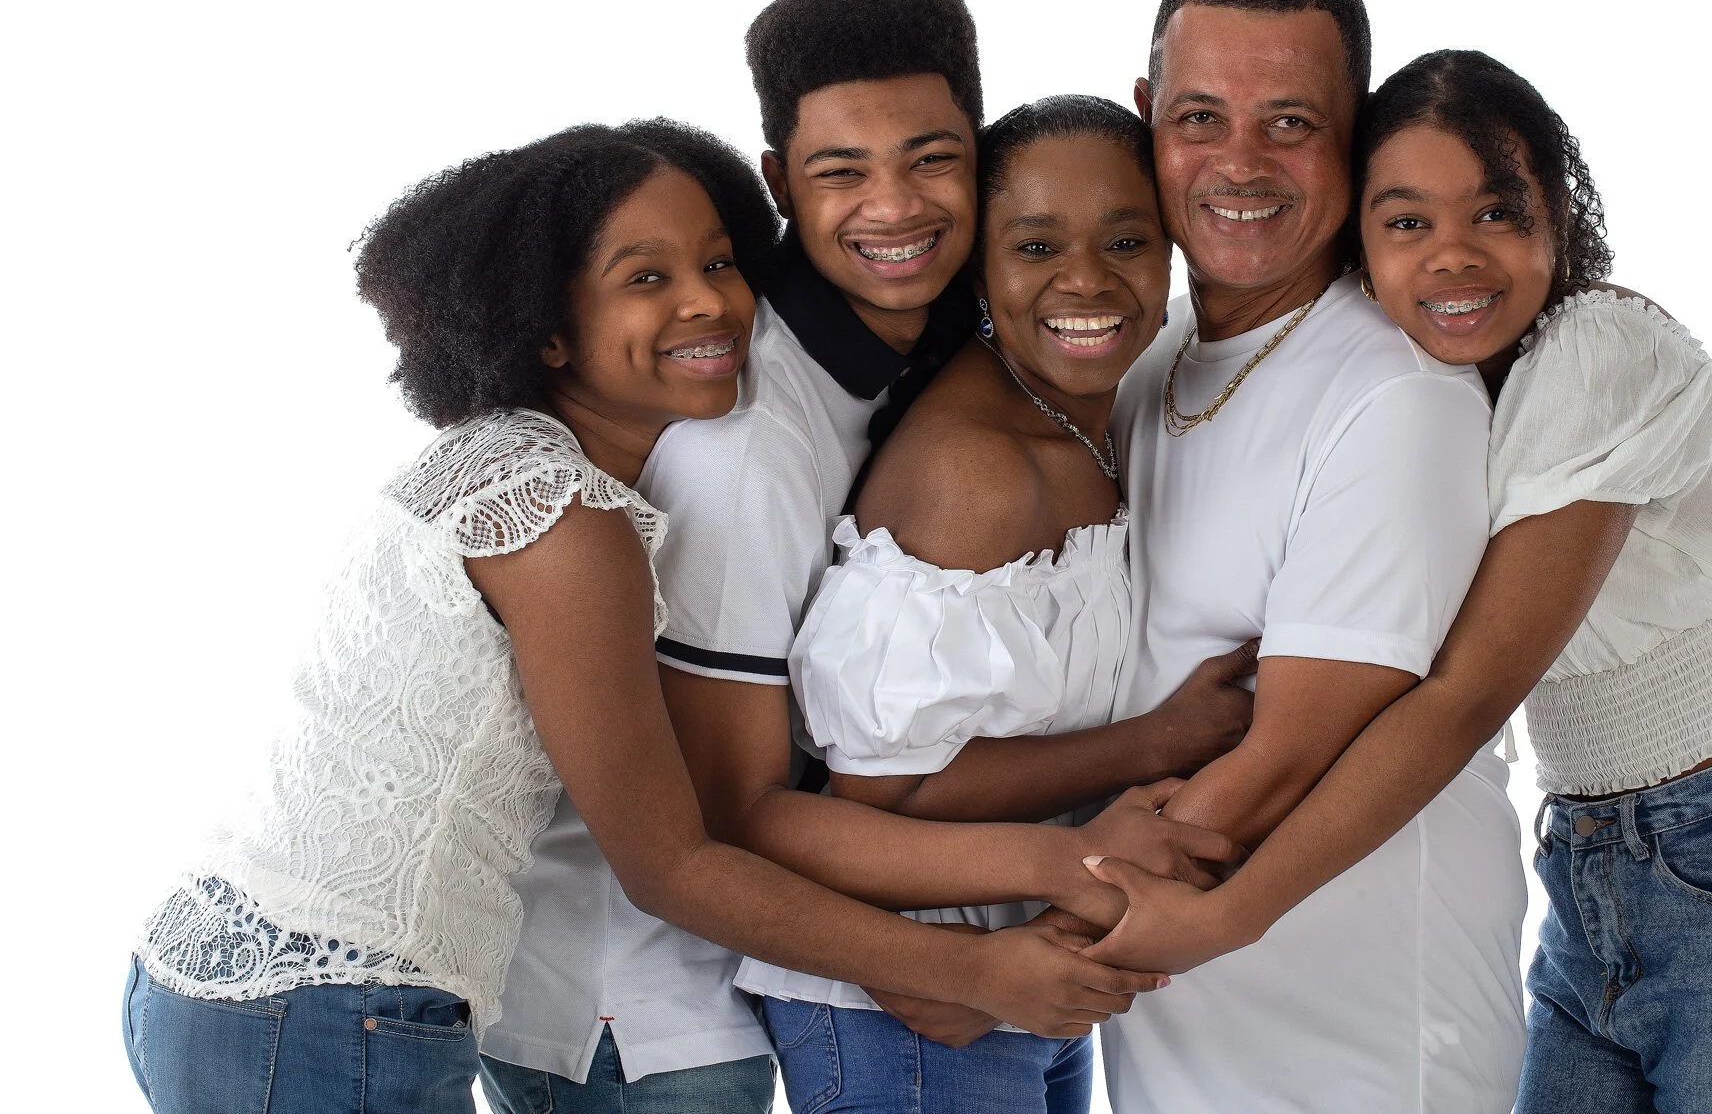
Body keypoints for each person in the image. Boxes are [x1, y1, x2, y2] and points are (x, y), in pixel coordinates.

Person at [122, 119, 1177, 1114]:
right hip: (327, 1000)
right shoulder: (563, 523)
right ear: (543, 329)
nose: (711, 307)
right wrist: (960, 967)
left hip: (234, 969)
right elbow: (670, 861)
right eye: (645, 279)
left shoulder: (505, 462)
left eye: (719, 264)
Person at [1089, 49, 1712, 1113]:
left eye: (1496, 214)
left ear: (1559, 220)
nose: (1453, 258)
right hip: (1592, 870)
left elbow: (1462, 694)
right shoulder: (1425, 378)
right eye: (1406, 224)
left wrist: (1228, 914)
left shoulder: (1597, 350)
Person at [481, 0, 1245, 1113]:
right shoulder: (744, 437)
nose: (892, 207)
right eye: (842, 171)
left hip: (852, 962)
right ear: (780, 183)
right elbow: (730, 816)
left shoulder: (957, 336)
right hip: (646, 1010)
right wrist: (959, 951)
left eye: (930, 161)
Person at [1091, 0, 1528, 1112]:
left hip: (1362, 1055)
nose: (1238, 162)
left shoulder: (1396, 396)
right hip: (1170, 1034)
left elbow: (1280, 763)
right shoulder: (1143, 363)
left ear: (1355, 133)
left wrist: (991, 955)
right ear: (1146, 119)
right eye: (1199, 116)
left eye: (1288, 121)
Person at [748, 95, 1234, 1113]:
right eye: (1035, 244)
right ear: (980, 267)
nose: (1086, 279)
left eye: (1127, 240)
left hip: (1019, 972)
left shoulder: (1101, 414)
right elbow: (881, 795)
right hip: (913, 997)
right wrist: (1155, 741)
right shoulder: (981, 471)